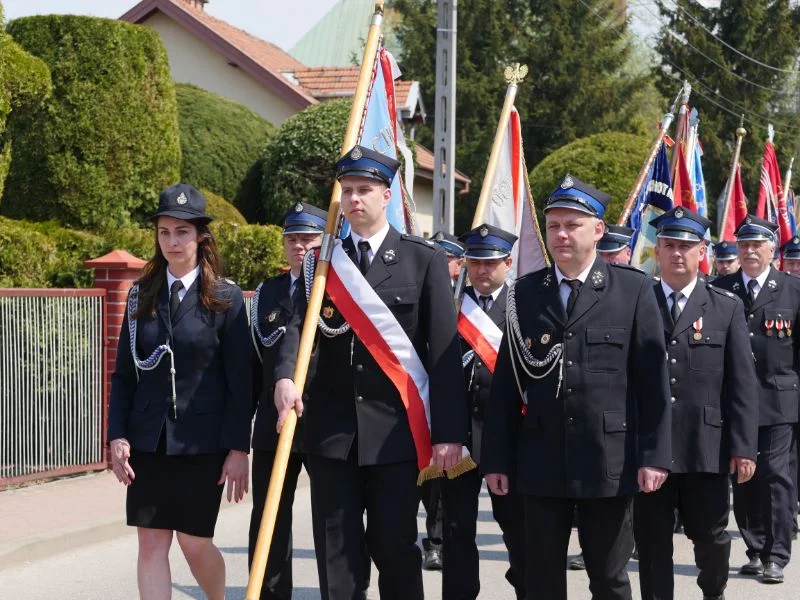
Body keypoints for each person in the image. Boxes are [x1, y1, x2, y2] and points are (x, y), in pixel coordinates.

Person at [273, 145, 467, 600]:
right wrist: (285, 375)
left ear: (386, 195)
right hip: (331, 435)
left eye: (364, 190)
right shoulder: (320, 263)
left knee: (395, 551)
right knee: (336, 558)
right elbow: (297, 329)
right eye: (347, 190)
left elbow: (442, 352)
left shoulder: (423, 260)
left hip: (396, 436)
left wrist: (449, 433)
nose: (354, 199)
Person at [482, 174, 672, 600]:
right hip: (541, 461)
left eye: (573, 225)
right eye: (554, 226)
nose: (562, 235)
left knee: (608, 578)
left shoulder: (634, 289)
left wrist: (655, 456)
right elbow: (507, 389)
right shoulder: (524, 294)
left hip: (608, 462)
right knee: (541, 580)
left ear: (598, 230)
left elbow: (652, 385)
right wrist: (497, 458)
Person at [108, 183, 251, 600]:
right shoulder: (140, 295)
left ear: (201, 236)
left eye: (182, 232)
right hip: (147, 442)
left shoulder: (226, 298)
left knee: (193, 542)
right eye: (165, 231)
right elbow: (123, 375)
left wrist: (238, 448)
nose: (172, 241)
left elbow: (240, 381)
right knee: (151, 543)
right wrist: (118, 435)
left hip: (202, 444)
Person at [634, 206, 758, 600]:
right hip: (649, 445)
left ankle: (713, 591)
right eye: (668, 245)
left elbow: (741, 383)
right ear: (658, 251)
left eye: (686, 246)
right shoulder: (637, 302)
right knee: (651, 542)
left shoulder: (726, 307)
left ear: (701, 251)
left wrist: (743, 447)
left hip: (705, 445)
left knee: (710, 537)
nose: (676, 254)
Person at [440, 223, 526, 599]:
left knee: (518, 530)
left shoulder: (523, 308)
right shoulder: (449, 306)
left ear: (508, 262)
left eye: (490, 263)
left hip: (508, 442)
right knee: (456, 531)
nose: (481, 271)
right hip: (459, 437)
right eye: (474, 262)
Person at [713, 215, 800, 584]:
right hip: (733, 401)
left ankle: (776, 554)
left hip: (779, 400)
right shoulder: (721, 288)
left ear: (771, 250)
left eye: (756, 245)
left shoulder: (793, 290)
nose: (748, 251)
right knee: (742, 474)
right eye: (743, 245)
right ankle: (755, 547)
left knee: (775, 476)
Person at [248, 202, 326, 599]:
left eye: (308, 238)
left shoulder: (334, 290)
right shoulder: (267, 293)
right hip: (272, 423)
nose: (299, 246)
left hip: (321, 421)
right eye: (292, 238)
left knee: (329, 517)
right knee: (269, 519)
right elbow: (254, 361)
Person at [419, 230, 466, 570]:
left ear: (458, 264)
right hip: (420, 395)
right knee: (429, 481)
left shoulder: (467, 297)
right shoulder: (422, 291)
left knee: (449, 484)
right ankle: (432, 542)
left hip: (459, 401)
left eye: (448, 258)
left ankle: (443, 539)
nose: (442, 262)